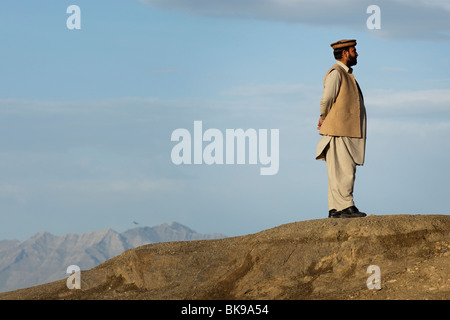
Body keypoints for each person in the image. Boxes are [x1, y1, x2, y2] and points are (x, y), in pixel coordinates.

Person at [315, 39, 367, 218]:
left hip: (343, 130)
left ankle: (336, 209)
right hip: (338, 130)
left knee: (340, 170)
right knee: (343, 169)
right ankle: (345, 206)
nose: (357, 53)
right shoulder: (336, 73)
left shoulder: (345, 73)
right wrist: (323, 118)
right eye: (354, 50)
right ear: (345, 53)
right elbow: (326, 99)